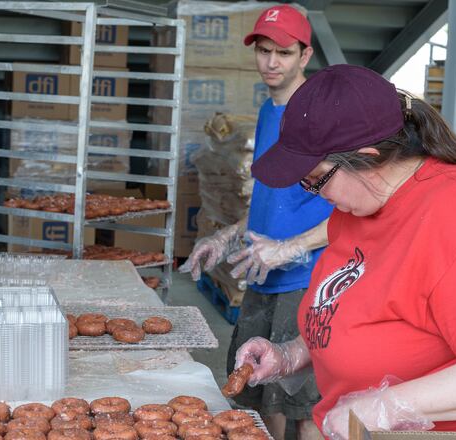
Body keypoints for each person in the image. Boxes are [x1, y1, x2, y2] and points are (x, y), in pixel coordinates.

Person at [234, 64, 456, 440]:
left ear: (368, 156)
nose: (314, 194)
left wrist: (381, 407)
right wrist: (291, 355)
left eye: (316, 179)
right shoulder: (359, 206)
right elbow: (353, 312)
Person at [179, 6, 331, 440]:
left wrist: (289, 248)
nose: (271, 62)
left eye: (283, 52)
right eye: (264, 51)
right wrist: (228, 236)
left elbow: (352, 212)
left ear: (305, 55)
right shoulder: (268, 112)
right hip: (263, 274)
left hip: (306, 278)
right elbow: (270, 200)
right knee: (258, 390)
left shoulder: (319, 118)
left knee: (302, 404)